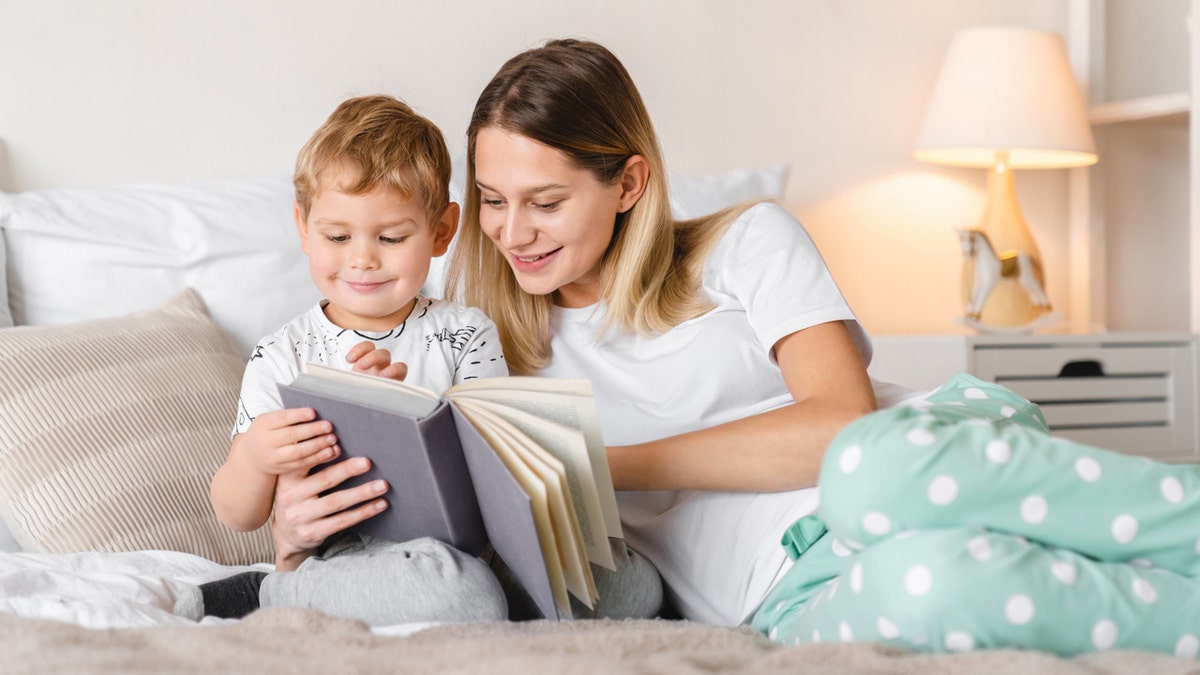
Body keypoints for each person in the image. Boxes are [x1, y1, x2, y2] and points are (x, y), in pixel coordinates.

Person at [433, 38, 1200, 658]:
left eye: (546, 202)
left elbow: (841, 425)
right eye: (494, 201)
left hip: (914, 467)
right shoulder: (483, 348)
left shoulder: (745, 242)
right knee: (928, 587)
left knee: (870, 469)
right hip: (782, 592)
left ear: (629, 183)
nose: (511, 232)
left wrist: (600, 467)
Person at [198, 94, 510, 626]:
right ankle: (266, 595)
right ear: (303, 227)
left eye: (391, 237)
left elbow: (499, 470)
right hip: (345, 558)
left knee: (626, 586)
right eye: (337, 236)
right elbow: (236, 512)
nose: (362, 258)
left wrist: (402, 413)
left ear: (441, 230)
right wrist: (255, 457)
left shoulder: (465, 335)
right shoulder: (284, 354)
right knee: (469, 595)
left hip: (460, 550)